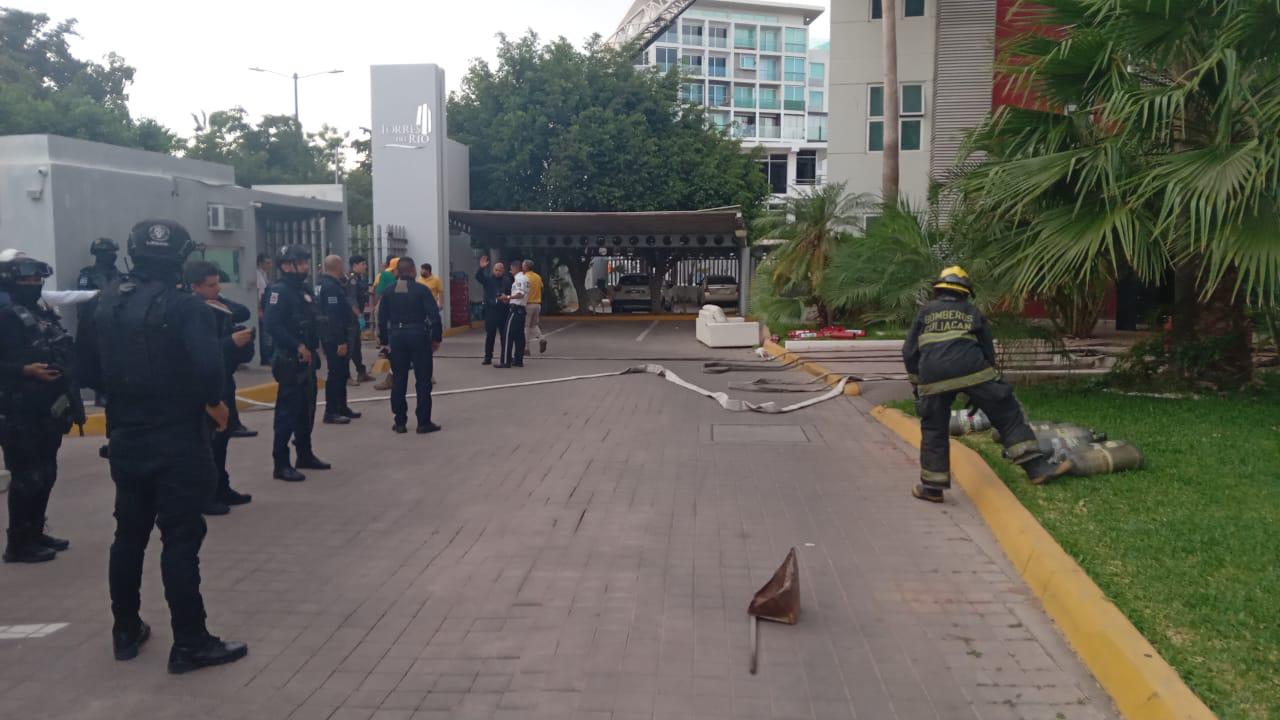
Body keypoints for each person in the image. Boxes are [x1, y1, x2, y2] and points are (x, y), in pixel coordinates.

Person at [84, 219, 247, 672]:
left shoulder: (103, 303)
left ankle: (125, 627)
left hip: (126, 435)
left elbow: (87, 370)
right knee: (180, 538)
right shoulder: (185, 306)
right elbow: (208, 368)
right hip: (176, 436)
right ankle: (190, 641)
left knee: (128, 534)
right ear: (179, 258)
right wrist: (214, 405)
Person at [903, 267, 1073, 503]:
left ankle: (932, 488)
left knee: (934, 429)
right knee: (1007, 414)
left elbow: (909, 352)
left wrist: (918, 389)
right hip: (974, 371)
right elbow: (987, 350)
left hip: (933, 379)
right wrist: (987, 386)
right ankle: (1037, 469)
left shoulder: (924, 312)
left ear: (939, 290)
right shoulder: (972, 311)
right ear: (964, 293)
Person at [0, 252, 81, 563]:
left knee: (47, 472)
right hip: (18, 409)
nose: (33, 285)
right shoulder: (4, 314)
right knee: (27, 476)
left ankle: (34, 531)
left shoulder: (37, 310)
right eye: (26, 280)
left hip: (46, 407)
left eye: (37, 280)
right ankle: (18, 544)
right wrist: (24, 371)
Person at [184, 261, 254, 515]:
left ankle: (221, 487)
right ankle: (205, 495)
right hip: (202, 388)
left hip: (223, 378)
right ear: (194, 287)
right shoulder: (189, 312)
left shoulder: (215, 305)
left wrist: (219, 301)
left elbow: (242, 311)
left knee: (222, 439)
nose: (217, 288)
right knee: (206, 444)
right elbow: (197, 353)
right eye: (211, 285)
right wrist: (229, 342)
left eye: (217, 283)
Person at [263, 245, 330, 482]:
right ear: (286, 266)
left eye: (305, 262)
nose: (304, 267)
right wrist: (297, 346)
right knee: (287, 413)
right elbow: (272, 326)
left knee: (307, 409)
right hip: (290, 358)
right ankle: (281, 463)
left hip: (307, 357)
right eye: (299, 263)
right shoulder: (278, 291)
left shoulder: (303, 289)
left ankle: (304, 453)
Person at [377, 257, 443, 434]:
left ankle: (400, 421)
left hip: (397, 337)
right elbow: (435, 317)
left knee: (399, 379)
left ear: (397, 272)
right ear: (413, 271)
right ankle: (423, 422)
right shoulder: (422, 290)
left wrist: (384, 342)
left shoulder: (389, 291)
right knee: (423, 380)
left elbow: (382, 319)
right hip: (418, 335)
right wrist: (436, 339)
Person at [318, 255, 362, 425]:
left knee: (342, 372)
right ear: (337, 266)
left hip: (336, 335)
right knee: (336, 373)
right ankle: (331, 411)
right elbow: (333, 316)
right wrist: (340, 341)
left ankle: (342, 407)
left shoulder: (333, 284)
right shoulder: (330, 287)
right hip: (334, 337)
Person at [371, 256, 400, 391]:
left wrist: (376, 305)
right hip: (406, 324)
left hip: (391, 319)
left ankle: (391, 379)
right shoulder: (405, 282)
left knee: (395, 351)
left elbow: (378, 291)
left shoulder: (386, 276)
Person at [476, 256, 510, 365]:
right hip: (491, 311)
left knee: (504, 336)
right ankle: (488, 357)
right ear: (493, 270)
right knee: (490, 335)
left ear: (503, 271)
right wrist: (481, 268)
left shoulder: (507, 281)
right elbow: (478, 277)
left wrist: (507, 299)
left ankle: (505, 357)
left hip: (503, 311)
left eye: (500, 270)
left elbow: (511, 294)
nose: (498, 272)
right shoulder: (488, 280)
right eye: (496, 270)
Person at [346, 255, 373, 384]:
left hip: (355, 318)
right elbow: (351, 299)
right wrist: (359, 315)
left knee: (357, 347)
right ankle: (346, 376)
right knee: (350, 348)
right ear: (355, 265)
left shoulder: (358, 278)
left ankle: (361, 372)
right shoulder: (352, 279)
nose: (365, 266)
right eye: (362, 264)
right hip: (351, 318)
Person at [499, 261, 529, 368]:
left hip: (515, 310)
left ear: (515, 268)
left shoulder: (519, 279)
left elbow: (520, 294)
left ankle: (506, 361)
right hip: (521, 310)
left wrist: (507, 297)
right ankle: (518, 360)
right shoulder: (524, 278)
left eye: (511, 268)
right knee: (519, 336)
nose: (510, 271)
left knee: (507, 335)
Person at [523, 260, 548, 354]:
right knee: (534, 325)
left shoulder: (525, 278)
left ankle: (526, 348)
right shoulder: (537, 277)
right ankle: (542, 338)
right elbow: (541, 287)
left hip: (528, 304)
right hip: (537, 304)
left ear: (525, 267)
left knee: (526, 326)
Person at [256, 254, 274, 366]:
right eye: (267, 263)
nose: (270, 265)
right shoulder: (258, 275)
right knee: (264, 334)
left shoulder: (264, 275)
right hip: (262, 308)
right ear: (260, 263)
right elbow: (259, 294)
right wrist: (259, 309)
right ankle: (265, 357)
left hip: (266, 307)